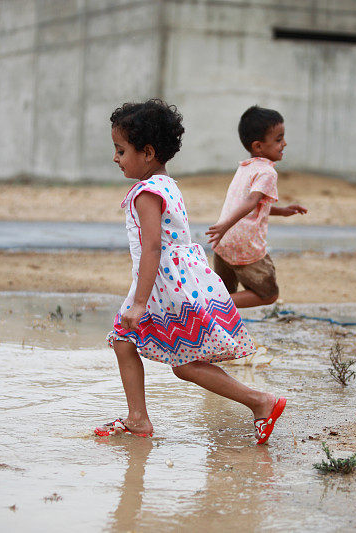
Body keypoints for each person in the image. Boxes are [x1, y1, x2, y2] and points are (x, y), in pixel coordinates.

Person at [94, 99, 286, 443]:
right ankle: (138, 418)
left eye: (120, 150)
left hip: (165, 285)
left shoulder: (146, 193)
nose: (115, 158)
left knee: (178, 362)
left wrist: (139, 303)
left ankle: (261, 401)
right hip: (178, 280)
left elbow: (153, 249)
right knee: (134, 346)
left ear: (148, 152)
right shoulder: (168, 184)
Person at [206, 105, 307, 308]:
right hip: (243, 244)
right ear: (258, 146)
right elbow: (251, 201)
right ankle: (207, 303)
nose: (284, 144)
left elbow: (253, 205)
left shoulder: (245, 167)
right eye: (278, 140)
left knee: (225, 294)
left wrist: (282, 211)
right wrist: (225, 225)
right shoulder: (267, 173)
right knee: (268, 294)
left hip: (225, 241)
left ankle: (213, 329)